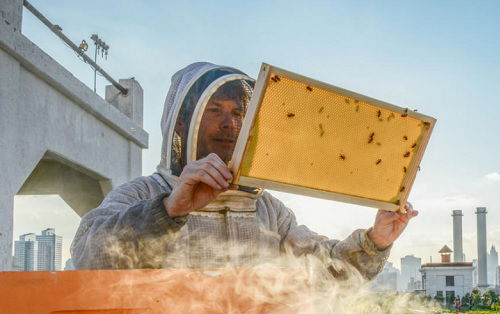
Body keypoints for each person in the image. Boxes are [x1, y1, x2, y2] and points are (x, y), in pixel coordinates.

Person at [71, 62, 417, 278]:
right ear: (182, 124)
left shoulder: (267, 209)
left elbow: (326, 271)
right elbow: (89, 257)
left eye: (238, 113)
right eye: (215, 110)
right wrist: (168, 210)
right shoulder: (143, 194)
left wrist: (375, 241)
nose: (230, 124)